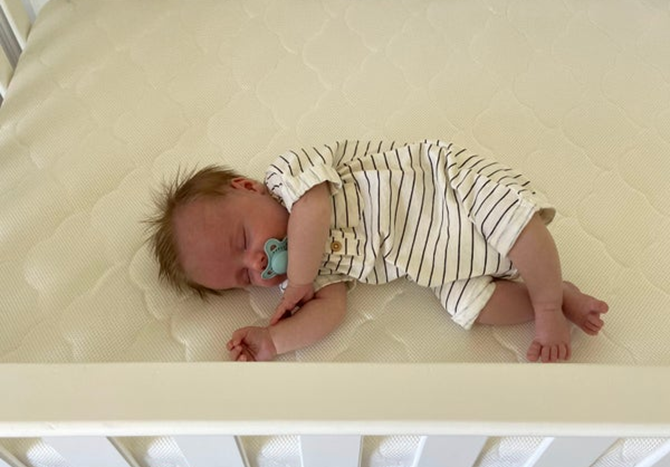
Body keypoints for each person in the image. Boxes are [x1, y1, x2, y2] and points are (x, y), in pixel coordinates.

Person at [146, 139, 608, 363]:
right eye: (245, 277)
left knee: (514, 224)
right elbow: (331, 311)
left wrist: (301, 278)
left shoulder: (288, 179)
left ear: (247, 188)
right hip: (439, 261)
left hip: (448, 189)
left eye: (244, 242)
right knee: (472, 305)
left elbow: (316, 206)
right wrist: (274, 340)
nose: (257, 262)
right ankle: (557, 292)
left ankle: (547, 306)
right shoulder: (306, 278)